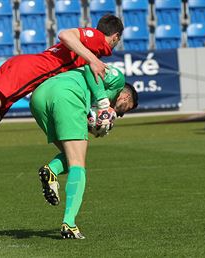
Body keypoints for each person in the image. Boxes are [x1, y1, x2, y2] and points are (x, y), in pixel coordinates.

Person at [30, 65, 138, 239]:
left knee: (71, 154)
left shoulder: (94, 97)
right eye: (126, 108)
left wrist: (92, 124)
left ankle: (52, 170)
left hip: (39, 97)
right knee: (78, 163)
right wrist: (103, 103)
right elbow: (90, 68)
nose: (122, 114)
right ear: (125, 96)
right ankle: (69, 224)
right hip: (67, 94)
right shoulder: (118, 80)